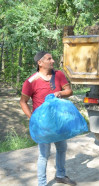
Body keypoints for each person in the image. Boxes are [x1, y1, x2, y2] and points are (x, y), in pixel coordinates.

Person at [19, 51, 76, 186]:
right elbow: (23, 101)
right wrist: (32, 119)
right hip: (43, 124)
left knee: (62, 149)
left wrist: (60, 93)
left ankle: (60, 175)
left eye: (52, 58)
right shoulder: (31, 81)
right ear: (40, 63)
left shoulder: (59, 75)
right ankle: (42, 183)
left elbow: (69, 91)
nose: (53, 61)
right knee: (44, 155)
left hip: (59, 121)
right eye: (49, 59)